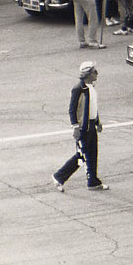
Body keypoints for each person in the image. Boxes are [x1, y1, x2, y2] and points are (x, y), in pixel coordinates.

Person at [53, 62, 106, 191]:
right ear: (87, 74)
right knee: (82, 155)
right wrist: (75, 127)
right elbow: (72, 109)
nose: (97, 74)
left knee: (92, 153)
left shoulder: (91, 87)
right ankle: (59, 176)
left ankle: (93, 182)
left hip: (91, 125)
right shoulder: (78, 89)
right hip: (83, 127)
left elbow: (93, 107)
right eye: (94, 72)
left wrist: (97, 122)